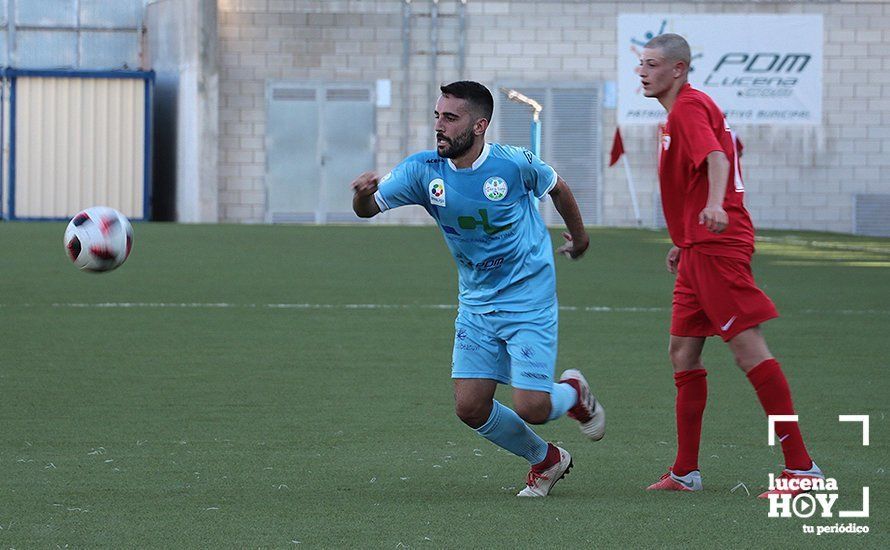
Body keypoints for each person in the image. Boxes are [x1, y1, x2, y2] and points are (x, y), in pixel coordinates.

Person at [351, 81, 605, 497]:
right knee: (470, 407)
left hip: (528, 296)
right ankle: (547, 459)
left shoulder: (513, 164)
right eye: (437, 116)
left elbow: (557, 187)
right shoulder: (423, 171)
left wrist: (580, 239)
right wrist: (363, 196)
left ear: (480, 125)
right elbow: (368, 209)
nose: (440, 126)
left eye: (450, 118)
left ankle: (572, 393)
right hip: (476, 301)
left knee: (533, 407)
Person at [636, 34, 821, 496]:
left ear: (678, 69)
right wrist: (683, 239)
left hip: (718, 244)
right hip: (698, 246)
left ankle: (802, 470)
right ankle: (685, 472)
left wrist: (714, 208)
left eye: (653, 64)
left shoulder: (687, 108)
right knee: (683, 351)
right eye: (641, 63)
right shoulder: (680, 113)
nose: (643, 72)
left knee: (748, 349)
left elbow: (716, 158)